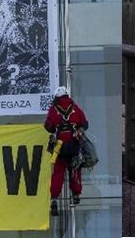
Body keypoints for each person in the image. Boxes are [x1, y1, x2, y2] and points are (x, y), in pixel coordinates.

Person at [44, 86, 88, 216]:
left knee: (58, 172)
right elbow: (85, 124)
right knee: (75, 169)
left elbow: (48, 127)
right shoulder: (75, 108)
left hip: (59, 145)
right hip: (74, 144)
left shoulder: (53, 110)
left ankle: (54, 198)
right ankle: (76, 194)